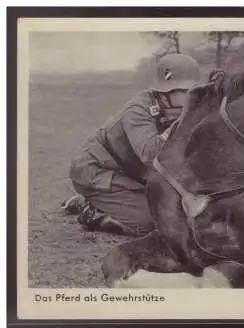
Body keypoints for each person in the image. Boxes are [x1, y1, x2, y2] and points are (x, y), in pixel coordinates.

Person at [62, 53, 202, 236]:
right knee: (156, 223)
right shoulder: (138, 110)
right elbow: (150, 154)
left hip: (131, 172)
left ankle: (101, 202)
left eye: (192, 91)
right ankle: (92, 212)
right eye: (182, 92)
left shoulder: (181, 108)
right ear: (164, 91)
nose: (189, 98)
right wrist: (180, 125)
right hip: (97, 171)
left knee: (176, 208)